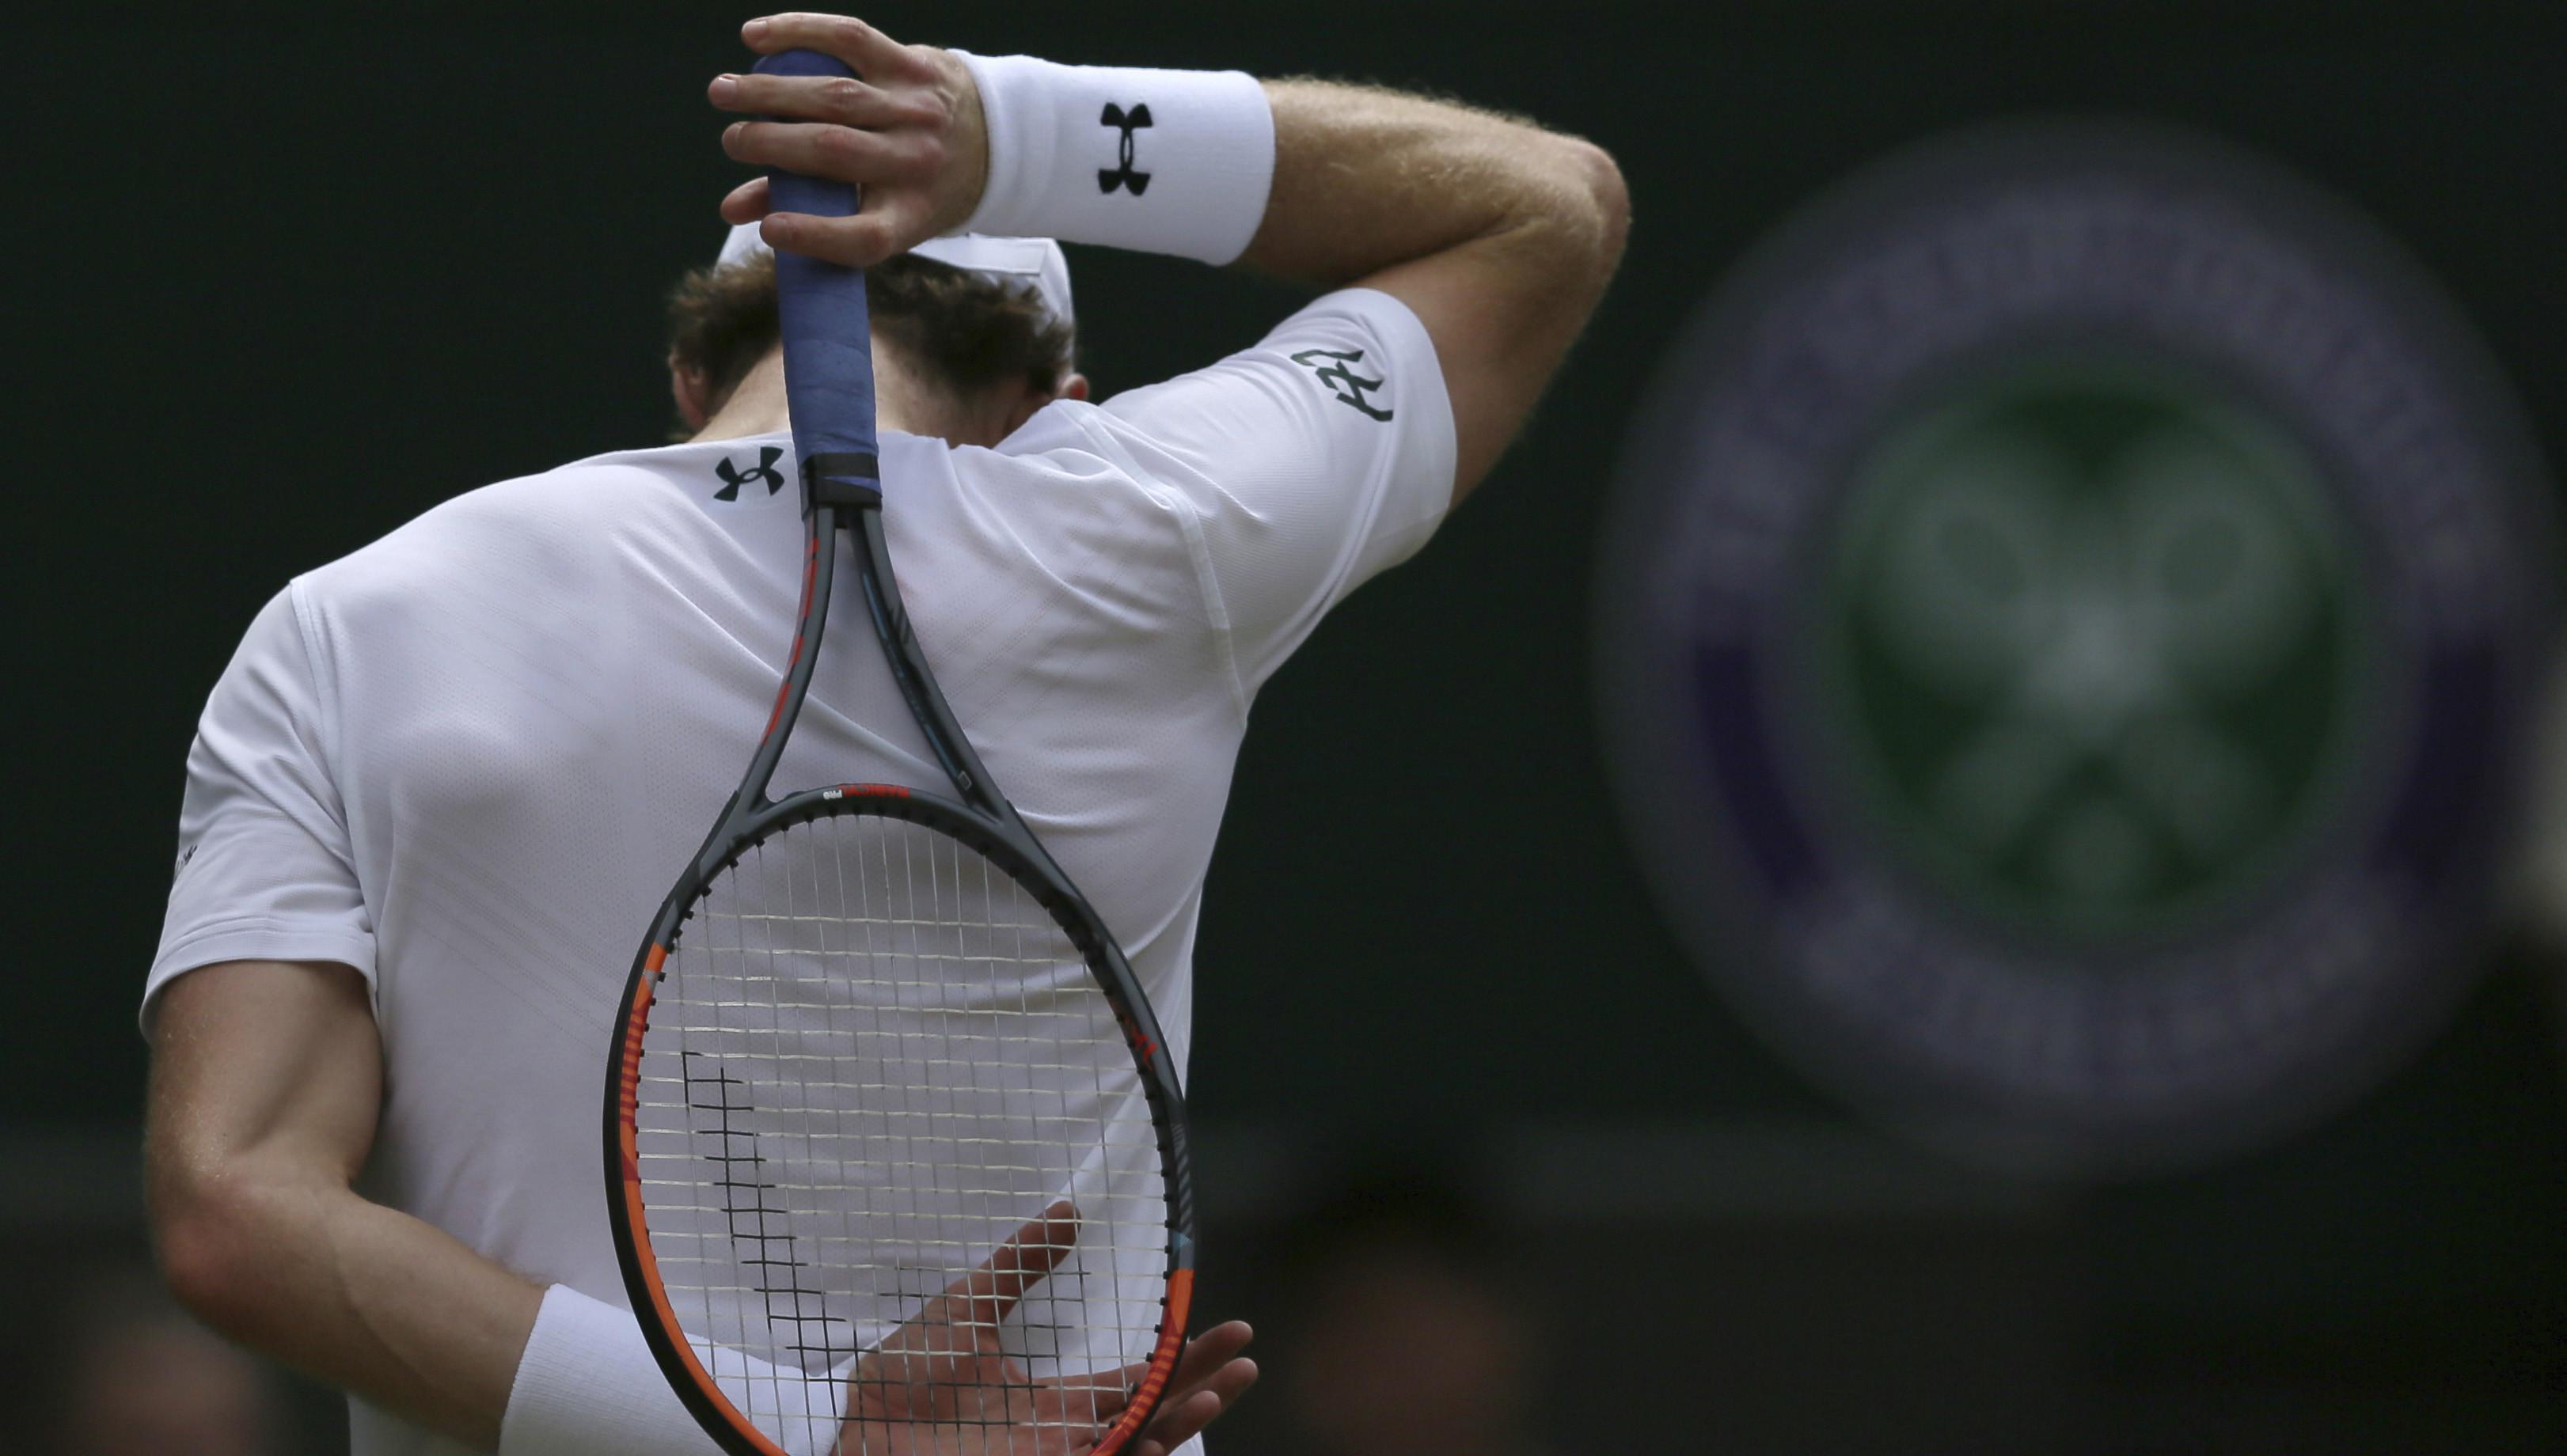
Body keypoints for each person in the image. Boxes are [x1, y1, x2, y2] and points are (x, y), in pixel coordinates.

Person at [142, 12, 1627, 1456]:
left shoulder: (345, 625)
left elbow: (236, 1211)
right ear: (1060, 400)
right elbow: (1547, 205)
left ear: (686, 381)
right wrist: (1018, 135)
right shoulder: (1152, 526)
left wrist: (793, 1442)